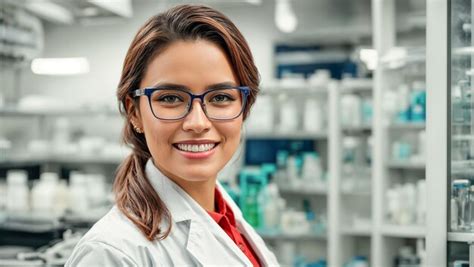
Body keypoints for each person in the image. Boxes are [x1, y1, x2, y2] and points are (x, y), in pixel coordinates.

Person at [66, 4, 279, 267]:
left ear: (244, 108)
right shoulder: (112, 254)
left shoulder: (226, 216)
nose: (197, 122)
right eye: (170, 98)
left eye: (221, 97)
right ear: (134, 113)